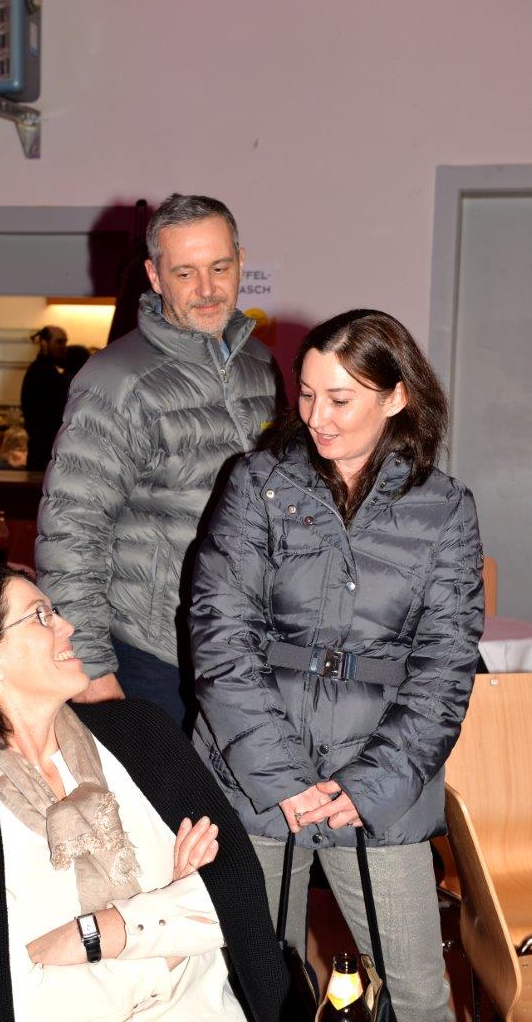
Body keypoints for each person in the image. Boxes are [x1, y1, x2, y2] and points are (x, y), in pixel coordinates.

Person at [190, 309, 485, 1022]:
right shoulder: (255, 484)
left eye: (340, 399)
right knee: (254, 991)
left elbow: (444, 669)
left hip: (381, 787)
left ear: (396, 396)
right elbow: (220, 636)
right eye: (307, 394)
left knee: (418, 998)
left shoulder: (444, 509)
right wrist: (281, 778)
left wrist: (371, 785)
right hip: (254, 781)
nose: (316, 417)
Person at [0, 565, 291, 1022]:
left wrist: (94, 934)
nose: (67, 626)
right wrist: (169, 926)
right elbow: (19, 1006)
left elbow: (235, 893)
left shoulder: (141, 736)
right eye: (40, 616)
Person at [36, 194, 280, 727]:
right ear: (155, 275)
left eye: (220, 268)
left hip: (243, 651)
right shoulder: (115, 380)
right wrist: (91, 669)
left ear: (241, 261)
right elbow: (71, 531)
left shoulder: (262, 366)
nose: (207, 289)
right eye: (185, 273)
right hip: (152, 655)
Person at [21, 325, 70, 472]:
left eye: (65, 342)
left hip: (46, 451)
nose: (63, 347)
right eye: (59, 342)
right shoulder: (41, 372)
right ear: (44, 343)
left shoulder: (47, 370)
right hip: (43, 453)